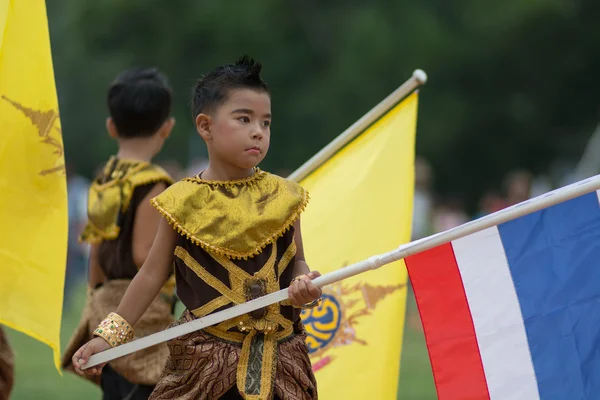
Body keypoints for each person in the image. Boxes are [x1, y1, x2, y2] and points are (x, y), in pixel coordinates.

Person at [73, 56, 322, 400]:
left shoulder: (285, 196)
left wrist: (304, 284)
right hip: (205, 365)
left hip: (279, 362)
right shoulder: (181, 202)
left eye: (266, 122)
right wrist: (109, 335)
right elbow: (149, 275)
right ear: (205, 127)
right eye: (244, 119)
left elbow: (298, 262)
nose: (258, 131)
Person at [62, 67, 177, 400]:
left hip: (105, 308)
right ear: (166, 128)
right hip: (141, 317)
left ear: (112, 127)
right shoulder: (154, 184)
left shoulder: (105, 178)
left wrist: (98, 296)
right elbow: (145, 257)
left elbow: (95, 251)